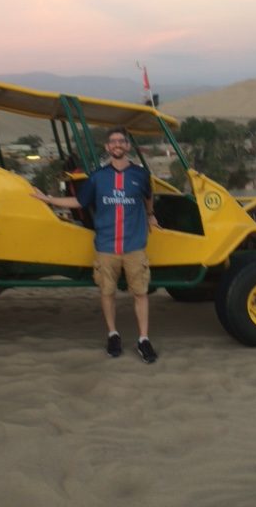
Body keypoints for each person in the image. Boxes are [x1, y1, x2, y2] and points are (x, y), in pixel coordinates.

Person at [32, 127, 159, 363]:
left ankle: (143, 339)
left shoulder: (141, 175)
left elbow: (148, 195)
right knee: (107, 292)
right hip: (106, 246)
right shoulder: (97, 177)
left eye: (122, 141)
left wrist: (151, 214)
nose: (117, 145)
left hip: (134, 246)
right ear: (107, 147)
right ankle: (113, 334)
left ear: (128, 146)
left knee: (140, 293)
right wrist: (49, 199)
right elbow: (79, 201)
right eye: (113, 142)